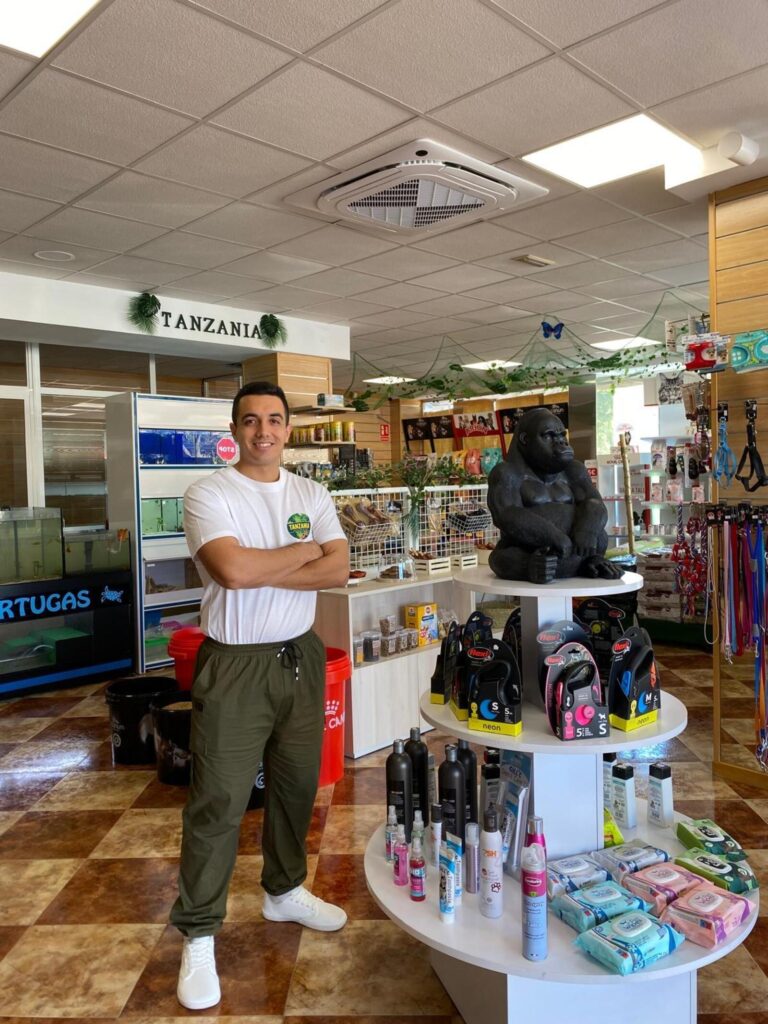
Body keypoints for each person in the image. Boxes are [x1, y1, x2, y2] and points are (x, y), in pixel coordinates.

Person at [171, 381, 350, 1010]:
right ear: (235, 429)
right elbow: (232, 570)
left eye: (274, 419)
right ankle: (198, 933)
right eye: (251, 420)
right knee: (218, 800)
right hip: (235, 664)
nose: (264, 431)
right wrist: (303, 552)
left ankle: (284, 890)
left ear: (288, 428)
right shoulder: (209, 493)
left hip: (299, 655)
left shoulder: (311, 492)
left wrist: (270, 564)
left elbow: (339, 569)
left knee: (297, 786)